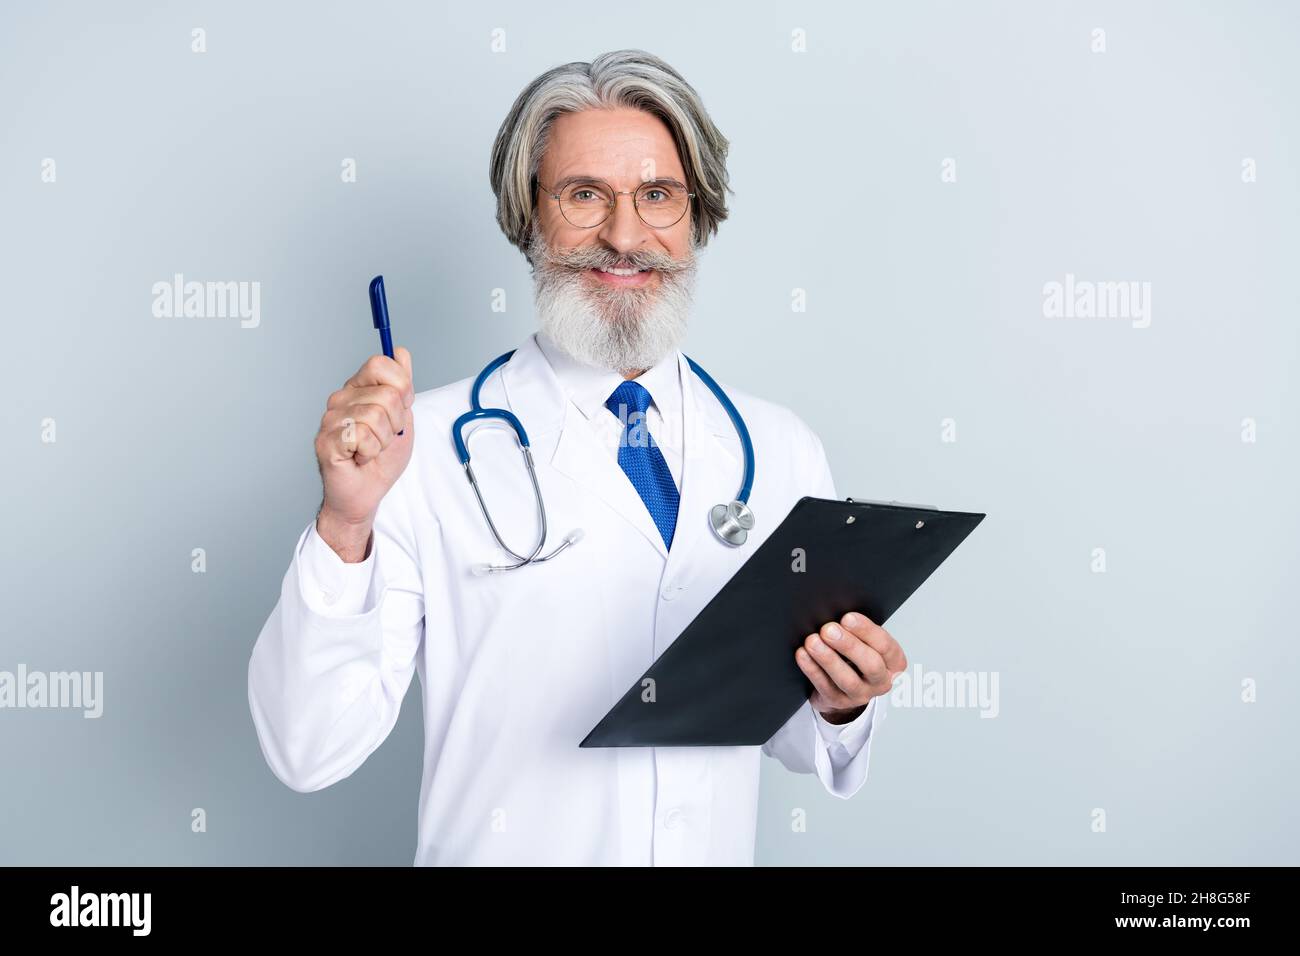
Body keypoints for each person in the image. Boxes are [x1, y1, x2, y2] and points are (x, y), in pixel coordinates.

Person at [248, 49, 907, 866]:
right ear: (529, 215)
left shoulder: (778, 451)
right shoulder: (417, 451)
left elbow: (801, 739)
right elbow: (308, 747)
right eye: (584, 195)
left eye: (658, 196)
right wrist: (346, 524)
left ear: (696, 218)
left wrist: (842, 701)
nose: (625, 237)